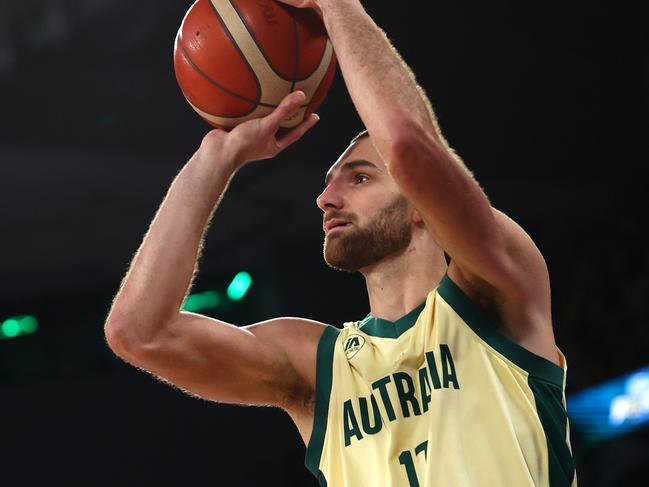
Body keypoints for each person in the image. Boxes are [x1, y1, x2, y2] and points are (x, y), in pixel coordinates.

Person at [104, 0, 577, 485]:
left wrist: (336, 6)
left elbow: (409, 147)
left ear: (419, 204)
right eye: (330, 182)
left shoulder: (495, 290)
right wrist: (214, 160)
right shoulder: (321, 367)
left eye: (360, 179)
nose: (325, 198)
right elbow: (138, 333)